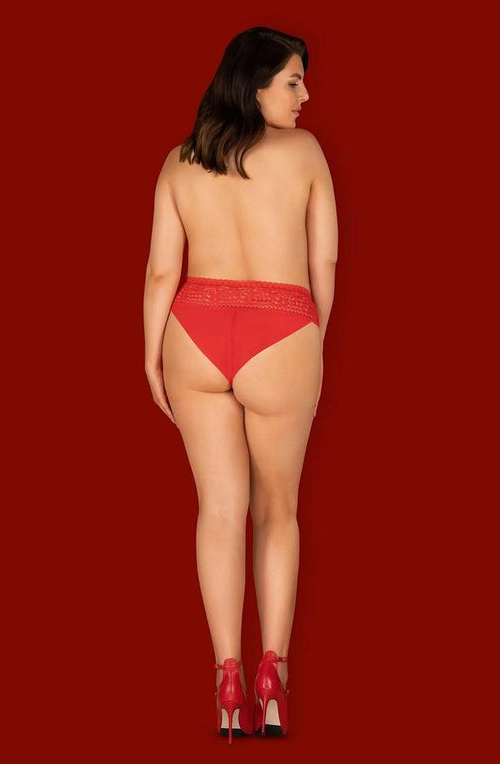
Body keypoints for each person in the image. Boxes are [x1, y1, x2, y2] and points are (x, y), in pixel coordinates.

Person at [143, 25, 338, 743]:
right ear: (254, 86)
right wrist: (309, 337)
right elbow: (324, 264)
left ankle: (226, 680)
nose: (304, 95)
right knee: (276, 511)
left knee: (219, 511)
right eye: (293, 81)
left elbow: (162, 271)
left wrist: (150, 356)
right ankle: (271, 677)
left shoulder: (180, 160)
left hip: (192, 330)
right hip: (281, 328)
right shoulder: (305, 154)